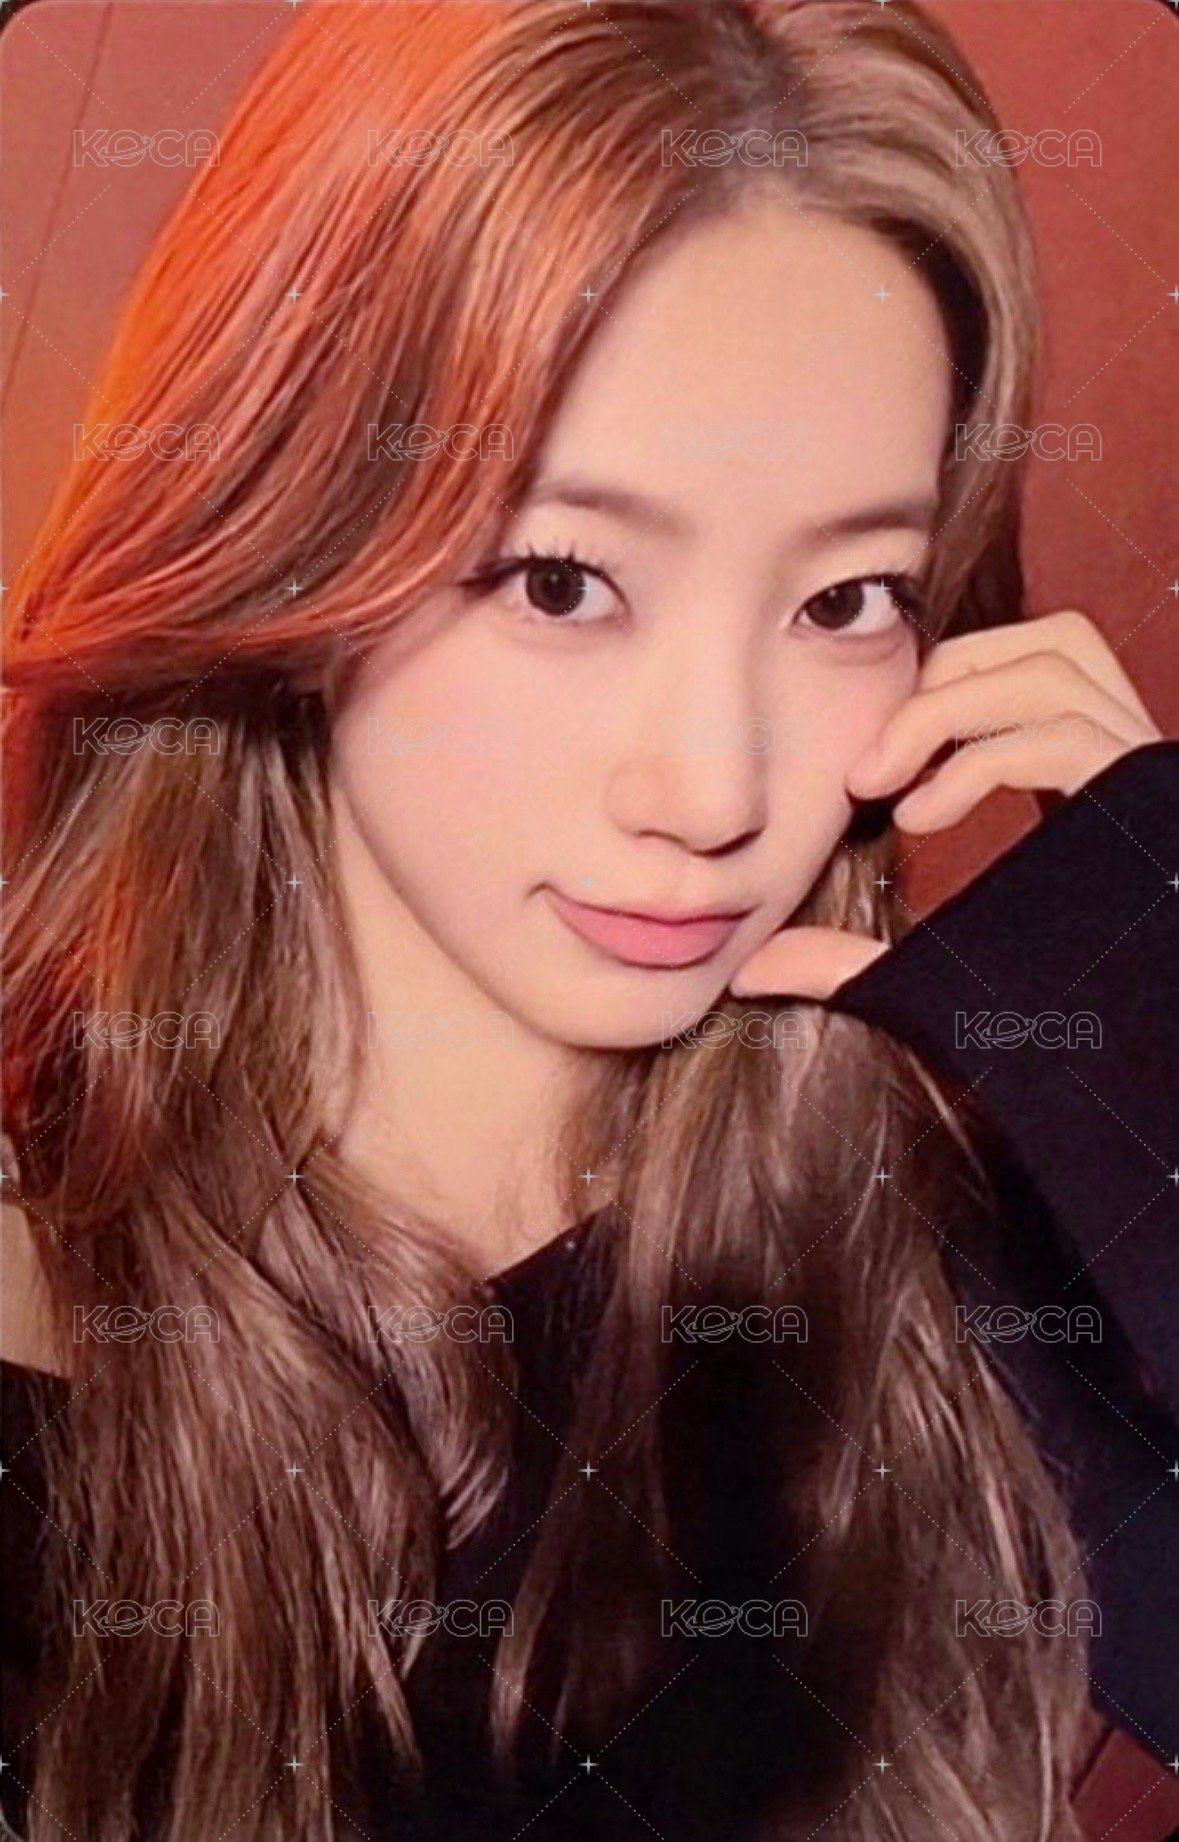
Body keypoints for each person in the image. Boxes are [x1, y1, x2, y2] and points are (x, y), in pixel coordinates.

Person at [2, 2, 1175, 1838]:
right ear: (285, 528)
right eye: (562, 580)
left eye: (846, 599)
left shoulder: (949, 1252)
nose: (715, 791)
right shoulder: (40, 1348)